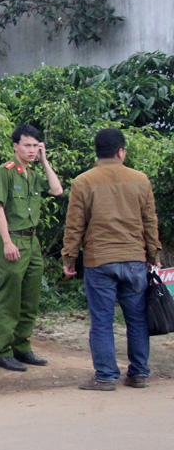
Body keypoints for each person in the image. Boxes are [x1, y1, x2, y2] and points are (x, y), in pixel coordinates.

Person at [61, 128, 163, 391]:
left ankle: (106, 376)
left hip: (100, 261)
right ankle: (138, 373)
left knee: (102, 322)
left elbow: (74, 226)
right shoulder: (140, 180)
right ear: (121, 152)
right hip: (134, 260)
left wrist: (69, 259)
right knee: (137, 319)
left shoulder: (83, 182)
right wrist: (153, 256)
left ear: (97, 152)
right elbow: (150, 223)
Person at [0, 124, 64, 372]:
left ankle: (22, 347)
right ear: (16, 146)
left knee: (30, 300)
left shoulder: (33, 173)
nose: (32, 150)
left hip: (32, 243)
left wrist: (44, 161)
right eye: (28, 145)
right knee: (10, 300)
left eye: (36, 145)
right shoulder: (6, 171)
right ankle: (1, 351)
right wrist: (8, 241)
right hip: (13, 240)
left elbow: (57, 189)